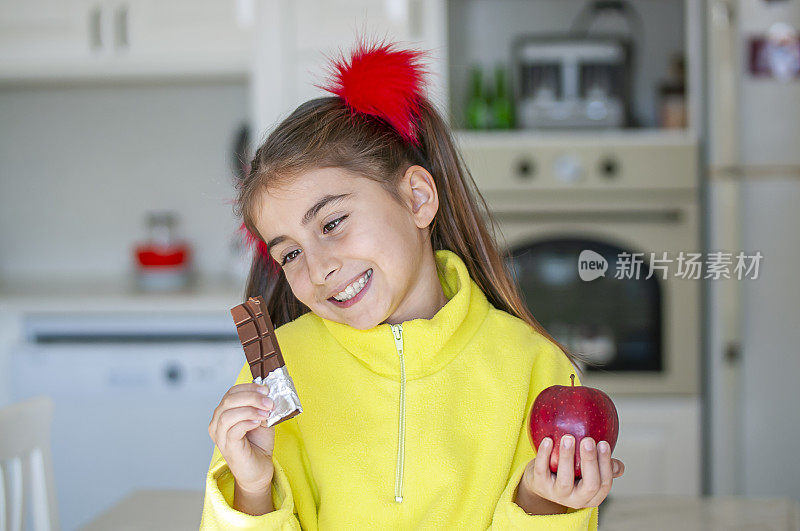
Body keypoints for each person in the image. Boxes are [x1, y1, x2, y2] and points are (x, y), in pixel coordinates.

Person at [200, 37, 624, 530]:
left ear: (418, 197)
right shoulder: (273, 379)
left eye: (332, 223)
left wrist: (545, 503)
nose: (317, 270)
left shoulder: (532, 365)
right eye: (290, 253)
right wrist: (252, 490)